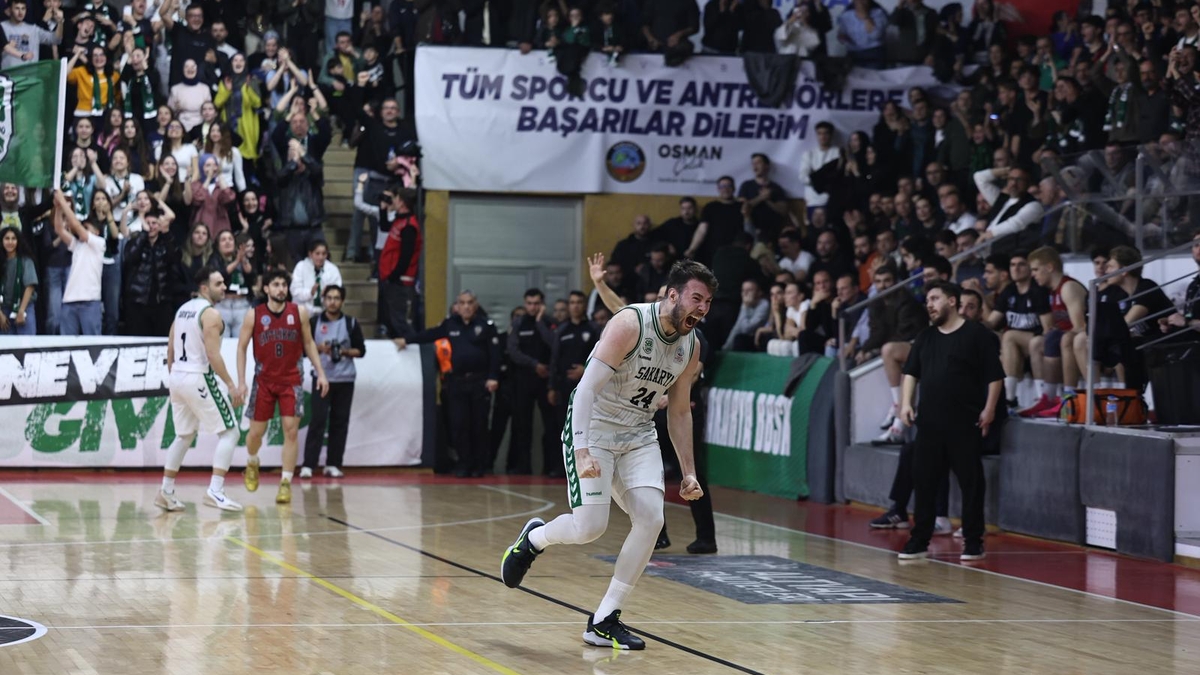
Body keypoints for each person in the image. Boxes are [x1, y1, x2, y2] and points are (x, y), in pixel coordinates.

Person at [500, 260, 714, 650]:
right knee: (590, 527)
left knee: (651, 518)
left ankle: (604, 618)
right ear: (672, 295)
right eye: (696, 298)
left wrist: (689, 471)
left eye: (708, 302)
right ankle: (535, 539)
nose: (702, 308)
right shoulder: (630, 324)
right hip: (595, 426)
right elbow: (584, 390)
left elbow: (680, 411)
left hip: (638, 433)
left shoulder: (691, 345)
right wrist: (581, 449)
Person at [897, 281, 1003, 562]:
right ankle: (919, 540)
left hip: (963, 422)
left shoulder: (976, 334)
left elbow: (995, 376)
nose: (929, 304)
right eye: (927, 300)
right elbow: (910, 373)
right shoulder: (925, 337)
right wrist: (906, 402)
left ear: (952, 301)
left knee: (971, 483)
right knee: (924, 482)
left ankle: (973, 541)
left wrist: (989, 409)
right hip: (929, 424)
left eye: (935, 298)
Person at [236, 270, 330, 505]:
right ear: (266, 288)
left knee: (290, 430)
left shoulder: (299, 312)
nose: (281, 289)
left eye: (284, 285)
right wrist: (241, 381)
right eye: (275, 284)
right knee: (256, 433)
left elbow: (308, 343)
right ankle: (252, 461)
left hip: (292, 380)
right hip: (264, 381)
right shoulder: (253, 315)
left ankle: (286, 482)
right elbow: (241, 348)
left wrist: (321, 373)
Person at [156, 269, 246, 512]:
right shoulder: (211, 314)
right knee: (230, 432)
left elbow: (171, 345)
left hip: (177, 376)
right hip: (197, 375)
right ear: (205, 288)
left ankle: (166, 490)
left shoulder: (182, 309)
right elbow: (213, 354)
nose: (224, 286)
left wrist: (174, 373)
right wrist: (230, 384)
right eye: (219, 283)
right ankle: (215, 491)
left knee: (183, 435)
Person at [396, 291, 502, 477]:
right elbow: (430, 334)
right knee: (459, 424)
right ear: (457, 306)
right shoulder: (450, 324)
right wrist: (407, 340)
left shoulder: (486, 326)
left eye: (470, 303)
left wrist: (493, 377)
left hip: (479, 382)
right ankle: (464, 463)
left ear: (475, 306)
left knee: (479, 424)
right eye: (462, 303)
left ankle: (479, 465)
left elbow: (495, 354)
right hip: (456, 382)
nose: (466, 306)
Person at [301, 285, 366, 479]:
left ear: (342, 301)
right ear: (323, 299)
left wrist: (343, 352)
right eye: (329, 297)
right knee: (317, 421)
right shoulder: (314, 322)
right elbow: (304, 349)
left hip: (345, 379)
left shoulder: (351, 323)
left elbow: (361, 350)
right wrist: (320, 349)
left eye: (336, 298)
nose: (332, 301)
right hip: (321, 378)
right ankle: (309, 464)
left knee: (340, 421)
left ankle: (334, 463)